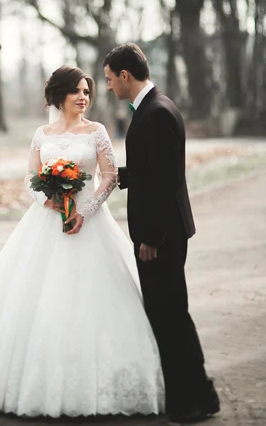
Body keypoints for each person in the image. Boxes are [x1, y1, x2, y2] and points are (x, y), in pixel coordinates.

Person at [0, 65, 164, 418]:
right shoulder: (42, 134)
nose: (84, 98)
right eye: (77, 92)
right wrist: (45, 199)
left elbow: (109, 177)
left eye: (88, 92)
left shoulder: (96, 132)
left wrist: (86, 210)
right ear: (59, 96)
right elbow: (30, 177)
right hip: (46, 222)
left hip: (90, 221)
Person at [103, 44, 220, 424]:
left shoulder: (157, 113)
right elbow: (150, 171)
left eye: (109, 79)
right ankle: (195, 394)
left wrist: (151, 238)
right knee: (168, 312)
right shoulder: (153, 109)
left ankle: (196, 400)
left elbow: (166, 182)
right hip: (163, 231)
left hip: (163, 236)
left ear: (125, 75)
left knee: (171, 314)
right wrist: (115, 177)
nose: (108, 87)